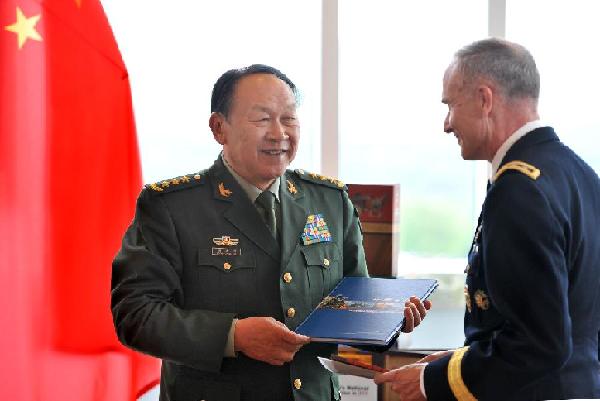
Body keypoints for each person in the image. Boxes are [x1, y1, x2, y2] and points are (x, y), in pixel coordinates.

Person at [111, 64, 430, 401]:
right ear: (219, 128)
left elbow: (352, 307)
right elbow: (136, 315)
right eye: (262, 119)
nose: (279, 133)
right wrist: (232, 336)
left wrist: (391, 319)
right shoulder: (172, 207)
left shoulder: (330, 201)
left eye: (289, 119)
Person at [375, 38, 600, 400]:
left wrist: (431, 382)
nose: (447, 124)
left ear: (484, 99)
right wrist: (457, 363)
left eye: (450, 105)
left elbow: (539, 345)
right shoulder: (578, 174)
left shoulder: (519, 189)